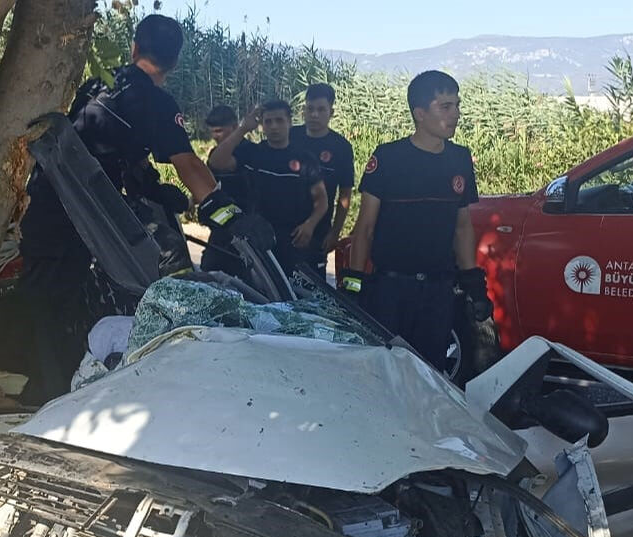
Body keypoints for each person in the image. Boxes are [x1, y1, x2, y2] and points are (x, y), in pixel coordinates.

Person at [10, 14, 241, 405]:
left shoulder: (101, 82)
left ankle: (37, 380)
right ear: (175, 61)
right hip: (74, 215)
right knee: (53, 299)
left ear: (135, 48)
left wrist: (149, 184)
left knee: (49, 293)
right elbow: (187, 163)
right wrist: (226, 212)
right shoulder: (154, 101)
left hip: (50, 202)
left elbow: (105, 146)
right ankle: (45, 396)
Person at [340, 70, 488, 368]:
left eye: (457, 105)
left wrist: (474, 282)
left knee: (429, 372)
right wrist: (354, 284)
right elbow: (365, 227)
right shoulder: (389, 158)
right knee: (385, 372)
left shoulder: (459, 159)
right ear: (420, 113)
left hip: (438, 292)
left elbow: (462, 227)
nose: (455, 114)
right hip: (390, 291)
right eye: (445, 107)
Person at [207, 100, 329, 274]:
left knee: (293, 296)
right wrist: (242, 129)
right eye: (268, 122)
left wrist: (310, 225)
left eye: (279, 121)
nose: (274, 126)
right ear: (262, 125)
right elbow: (216, 162)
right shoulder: (252, 153)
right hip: (259, 238)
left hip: (294, 240)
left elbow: (321, 199)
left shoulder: (305, 158)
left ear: (289, 122)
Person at [289, 83, 356, 272]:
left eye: (321, 109)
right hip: (284, 225)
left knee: (312, 291)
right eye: (310, 109)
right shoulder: (290, 136)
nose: (315, 114)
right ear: (304, 110)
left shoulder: (341, 147)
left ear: (331, 112)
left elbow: (345, 194)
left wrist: (335, 232)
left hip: (318, 231)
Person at [204, 105, 253, 208]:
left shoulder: (248, 150)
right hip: (222, 214)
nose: (214, 137)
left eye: (219, 131)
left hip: (246, 215)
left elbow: (220, 164)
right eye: (212, 132)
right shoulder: (214, 152)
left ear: (234, 127)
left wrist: (242, 130)